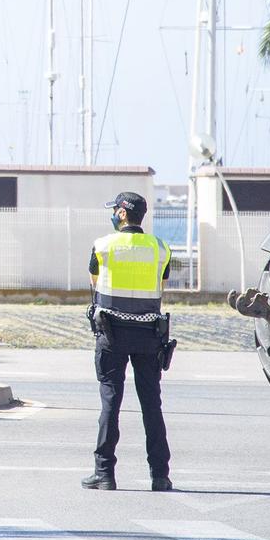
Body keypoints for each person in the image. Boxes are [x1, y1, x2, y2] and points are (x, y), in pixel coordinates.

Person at [82, 191, 174, 492]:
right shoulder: (160, 248)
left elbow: (94, 282)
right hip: (149, 335)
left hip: (112, 334)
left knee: (111, 401)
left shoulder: (103, 246)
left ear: (122, 214)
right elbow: (161, 285)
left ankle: (104, 473)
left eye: (114, 211)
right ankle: (160, 475)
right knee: (151, 405)